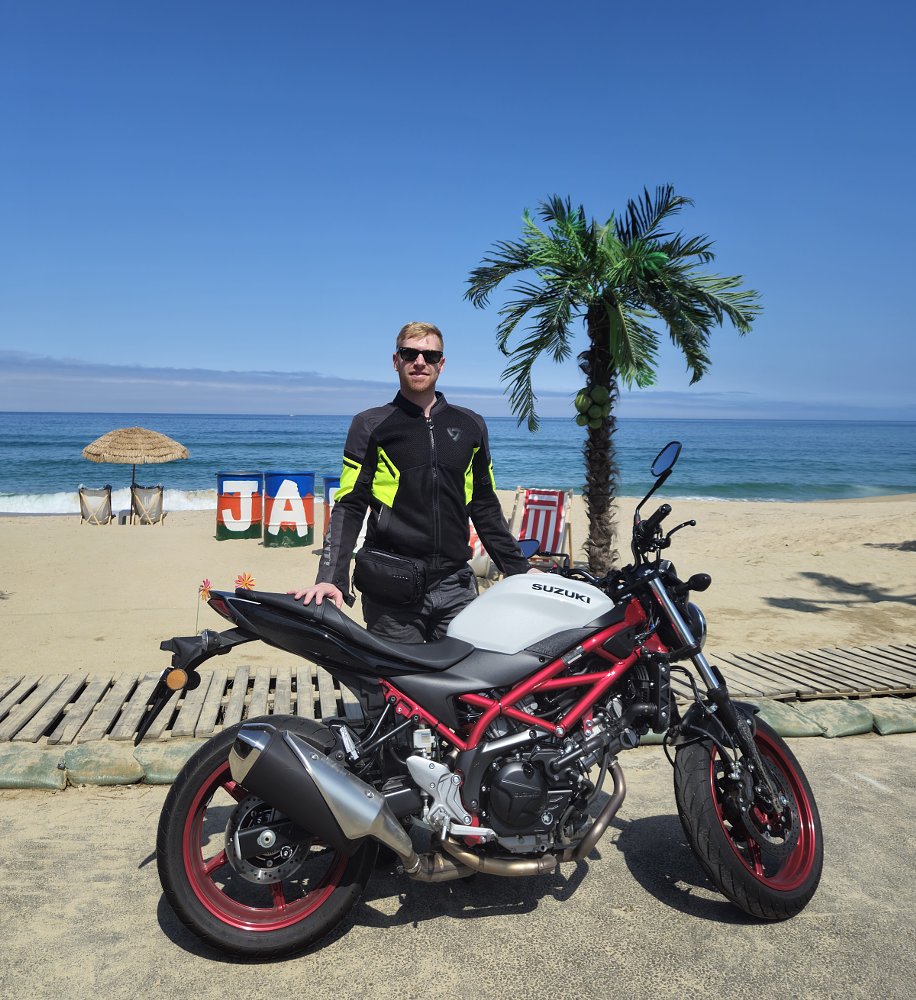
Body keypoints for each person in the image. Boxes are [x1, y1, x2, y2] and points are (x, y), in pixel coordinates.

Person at [291, 321, 532, 642]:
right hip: (392, 588)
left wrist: (520, 570)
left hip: (455, 586)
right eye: (410, 353)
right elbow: (350, 504)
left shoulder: (471, 424)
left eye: (430, 356)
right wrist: (331, 578)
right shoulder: (371, 424)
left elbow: (484, 506)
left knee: (463, 683)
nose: (420, 362)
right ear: (396, 360)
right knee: (395, 688)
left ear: (441, 364)